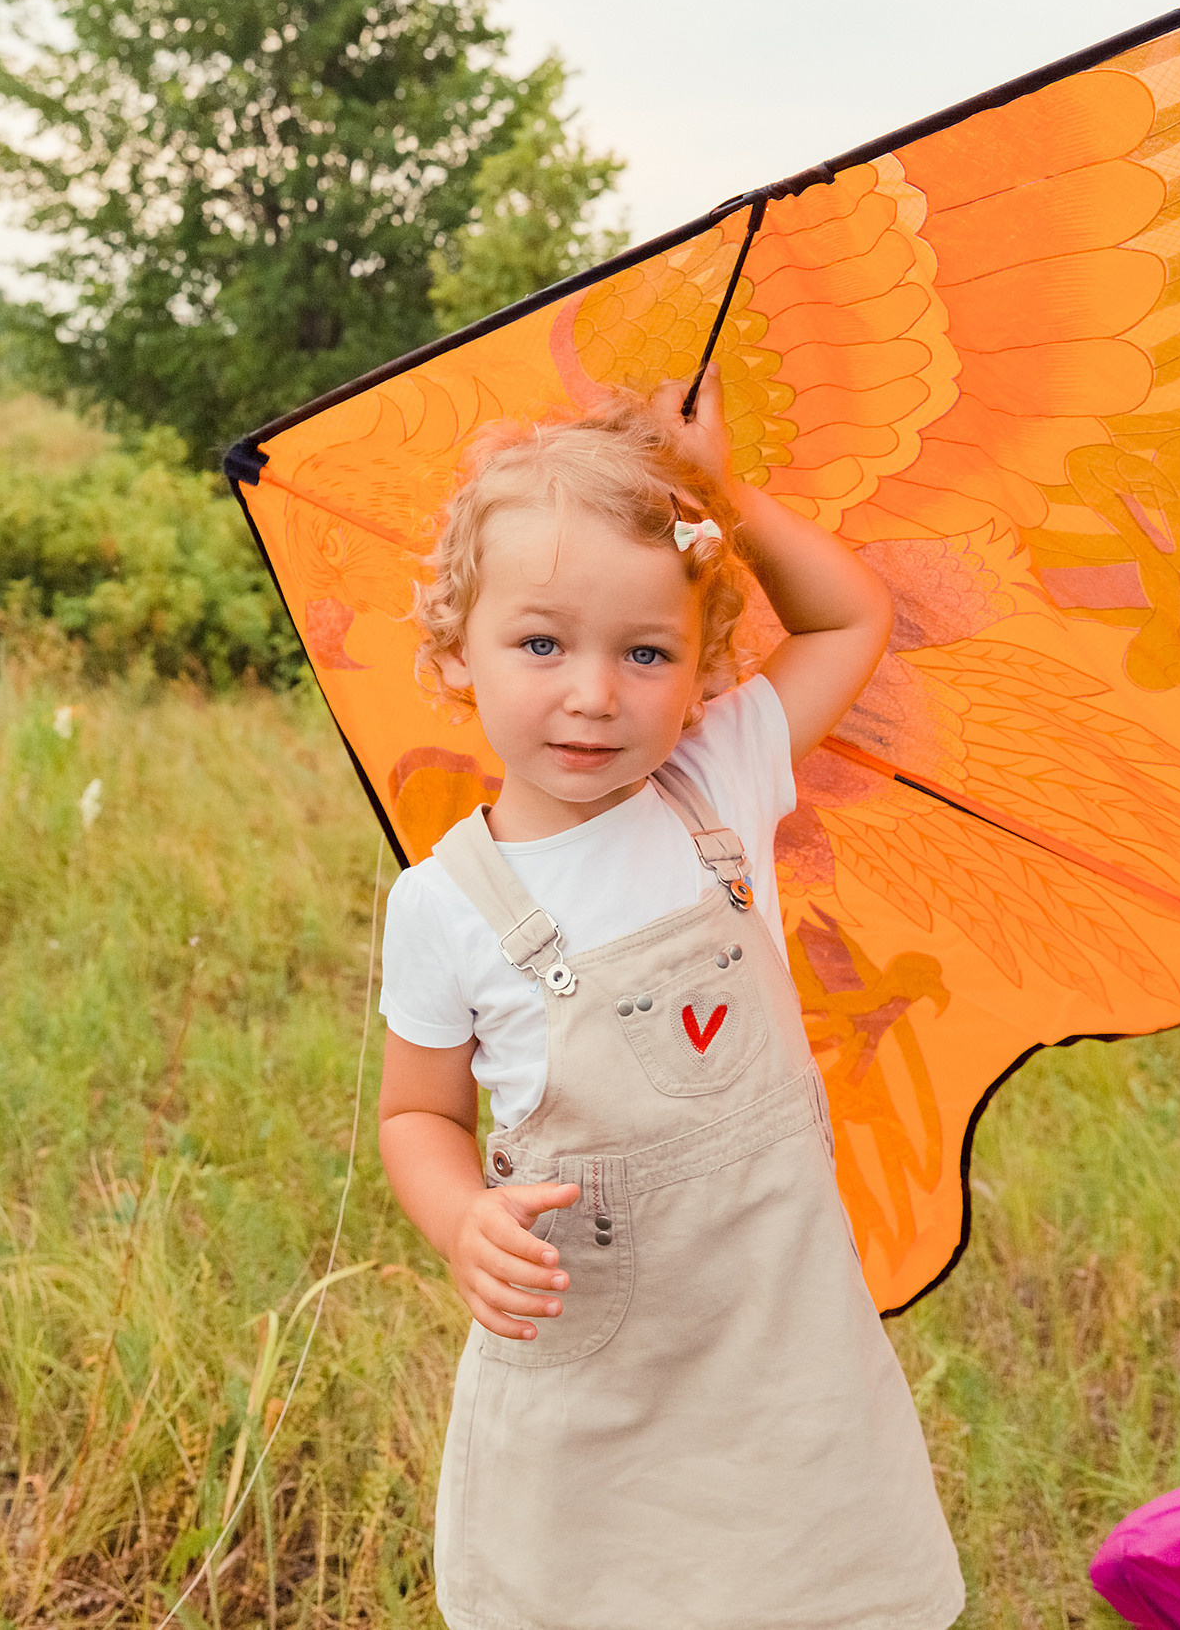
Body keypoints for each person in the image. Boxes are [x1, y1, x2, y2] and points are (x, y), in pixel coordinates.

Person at [375, 369, 965, 1630]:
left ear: (701, 674)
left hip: (774, 1329)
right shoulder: (444, 904)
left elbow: (850, 619)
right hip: (598, 1363)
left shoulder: (722, 775)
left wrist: (723, 500)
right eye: (540, 644)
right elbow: (413, 1116)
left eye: (646, 652)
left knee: (818, 1586)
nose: (594, 693)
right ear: (454, 651)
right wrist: (458, 1217)